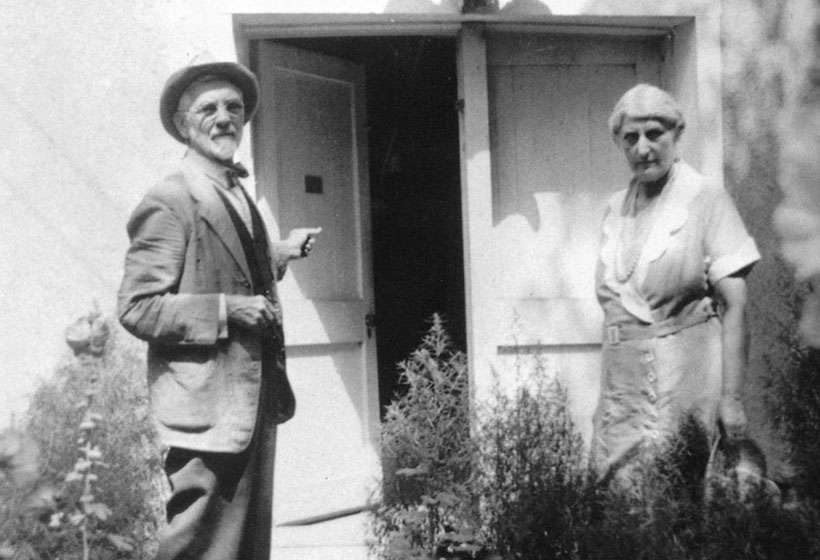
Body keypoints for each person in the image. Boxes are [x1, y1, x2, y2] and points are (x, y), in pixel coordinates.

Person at [118, 58, 320, 559]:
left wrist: (277, 253)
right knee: (197, 545)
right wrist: (227, 311)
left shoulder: (231, 189)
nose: (224, 117)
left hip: (251, 398)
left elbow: (224, 265)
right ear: (185, 125)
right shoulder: (170, 199)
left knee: (244, 545)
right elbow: (138, 307)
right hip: (207, 409)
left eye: (234, 107)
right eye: (208, 108)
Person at [591, 84, 760, 487]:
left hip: (682, 382)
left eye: (654, 134)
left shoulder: (704, 199)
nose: (643, 148)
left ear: (676, 135)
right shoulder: (614, 210)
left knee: (676, 498)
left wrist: (732, 399)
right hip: (621, 390)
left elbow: (735, 305)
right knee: (616, 504)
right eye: (630, 138)